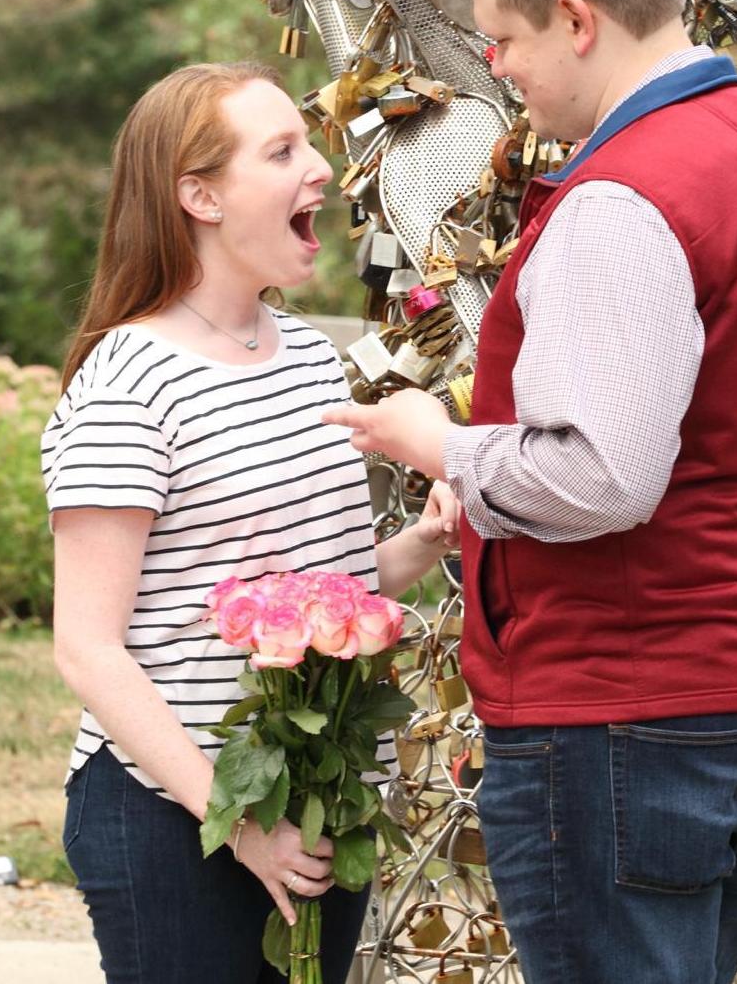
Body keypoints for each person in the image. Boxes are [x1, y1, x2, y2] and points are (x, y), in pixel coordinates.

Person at [324, 0, 737, 984]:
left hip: (625, 703)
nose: (499, 67)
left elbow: (603, 475)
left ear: (575, 19)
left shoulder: (626, 192)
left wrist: (436, 441)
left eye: (504, 37)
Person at [43, 62, 460, 984]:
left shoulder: (308, 357)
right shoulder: (129, 382)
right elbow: (87, 648)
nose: (320, 169)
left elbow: (324, 599)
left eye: (308, 142)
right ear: (199, 196)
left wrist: (425, 542)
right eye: (281, 152)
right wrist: (237, 822)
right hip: (175, 818)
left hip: (317, 805)